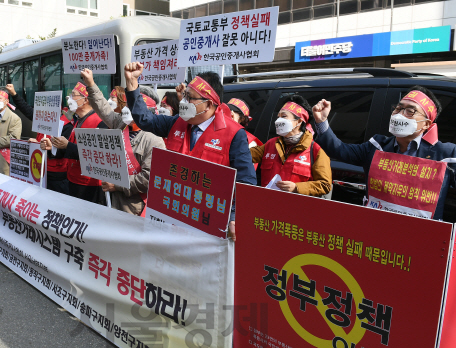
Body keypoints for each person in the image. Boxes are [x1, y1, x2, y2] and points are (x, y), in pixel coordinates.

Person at [123, 62, 257, 241]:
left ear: (208, 104)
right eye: (185, 96)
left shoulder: (233, 134)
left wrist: (235, 216)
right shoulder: (176, 122)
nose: (184, 102)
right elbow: (144, 119)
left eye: (190, 98)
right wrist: (132, 84)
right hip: (171, 214)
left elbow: (245, 182)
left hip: (206, 223)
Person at [313, 85, 456, 220]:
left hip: (422, 242)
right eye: (398, 108)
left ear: (426, 124)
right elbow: (340, 150)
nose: (400, 115)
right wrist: (322, 122)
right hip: (375, 231)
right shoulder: (377, 145)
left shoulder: (444, 155)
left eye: (410, 111)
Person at [81, 68, 165, 215]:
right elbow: (103, 107)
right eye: (126, 105)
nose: (126, 109)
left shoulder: (154, 139)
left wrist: (118, 184)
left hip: (134, 206)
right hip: (112, 200)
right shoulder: (120, 124)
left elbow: (148, 178)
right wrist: (91, 84)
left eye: (131, 106)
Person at [41, 81, 109, 205]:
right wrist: (53, 147)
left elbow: (99, 155)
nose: (69, 98)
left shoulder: (100, 122)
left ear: (86, 99)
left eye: (73, 95)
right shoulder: (79, 120)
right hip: (73, 179)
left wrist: (67, 146)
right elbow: (71, 148)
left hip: (91, 185)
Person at [250, 95, 331, 197]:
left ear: (299, 121)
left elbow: (325, 185)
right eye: (278, 117)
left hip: (294, 208)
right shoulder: (271, 144)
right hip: (267, 205)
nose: (278, 121)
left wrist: (296, 188)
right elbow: (244, 154)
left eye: (283, 116)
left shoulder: (315, 151)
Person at [5, 83, 72, 195]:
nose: (40, 110)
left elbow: (64, 151)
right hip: (39, 170)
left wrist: (43, 146)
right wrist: (14, 94)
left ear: (57, 108)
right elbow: (25, 108)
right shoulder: (41, 118)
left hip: (56, 176)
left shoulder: (66, 125)